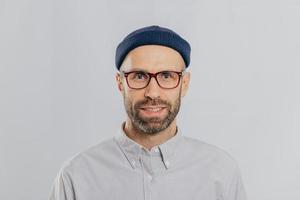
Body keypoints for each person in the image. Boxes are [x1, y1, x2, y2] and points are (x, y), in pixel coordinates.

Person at [49, 25, 247, 200]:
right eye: (139, 76)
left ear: (184, 84)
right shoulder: (76, 177)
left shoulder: (221, 173)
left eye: (167, 76)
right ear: (120, 83)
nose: (153, 92)